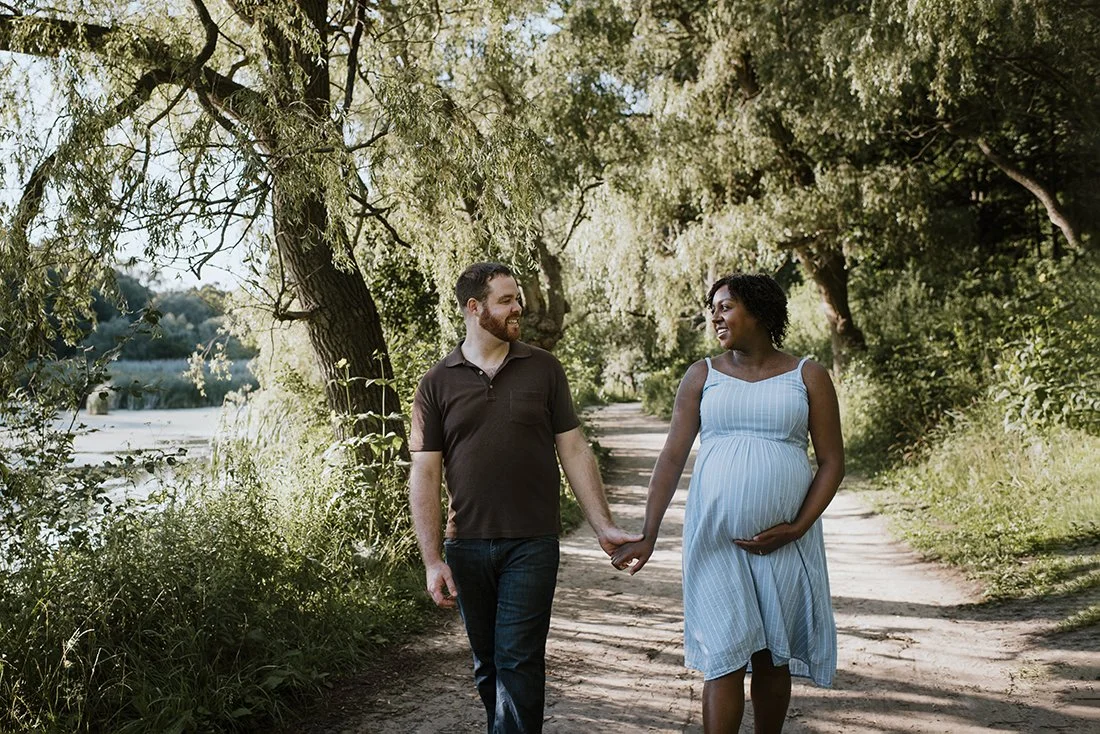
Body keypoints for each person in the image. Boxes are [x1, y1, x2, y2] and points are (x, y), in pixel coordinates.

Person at [408, 262, 640, 734]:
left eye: (518, 298)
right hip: (467, 544)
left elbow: (574, 449)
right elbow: (425, 473)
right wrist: (433, 560)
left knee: (518, 660)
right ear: (475, 309)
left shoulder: (544, 368)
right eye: (507, 300)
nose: (520, 307)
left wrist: (603, 526)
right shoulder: (436, 383)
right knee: (489, 664)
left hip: (532, 542)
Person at [611, 273, 844, 733]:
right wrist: (650, 533)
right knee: (724, 657)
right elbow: (672, 456)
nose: (715, 316)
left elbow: (833, 463)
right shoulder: (703, 374)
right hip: (715, 540)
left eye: (726, 306)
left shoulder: (808, 375)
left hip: (785, 542)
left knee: (772, 658)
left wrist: (796, 527)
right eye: (712, 307)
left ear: (758, 311)